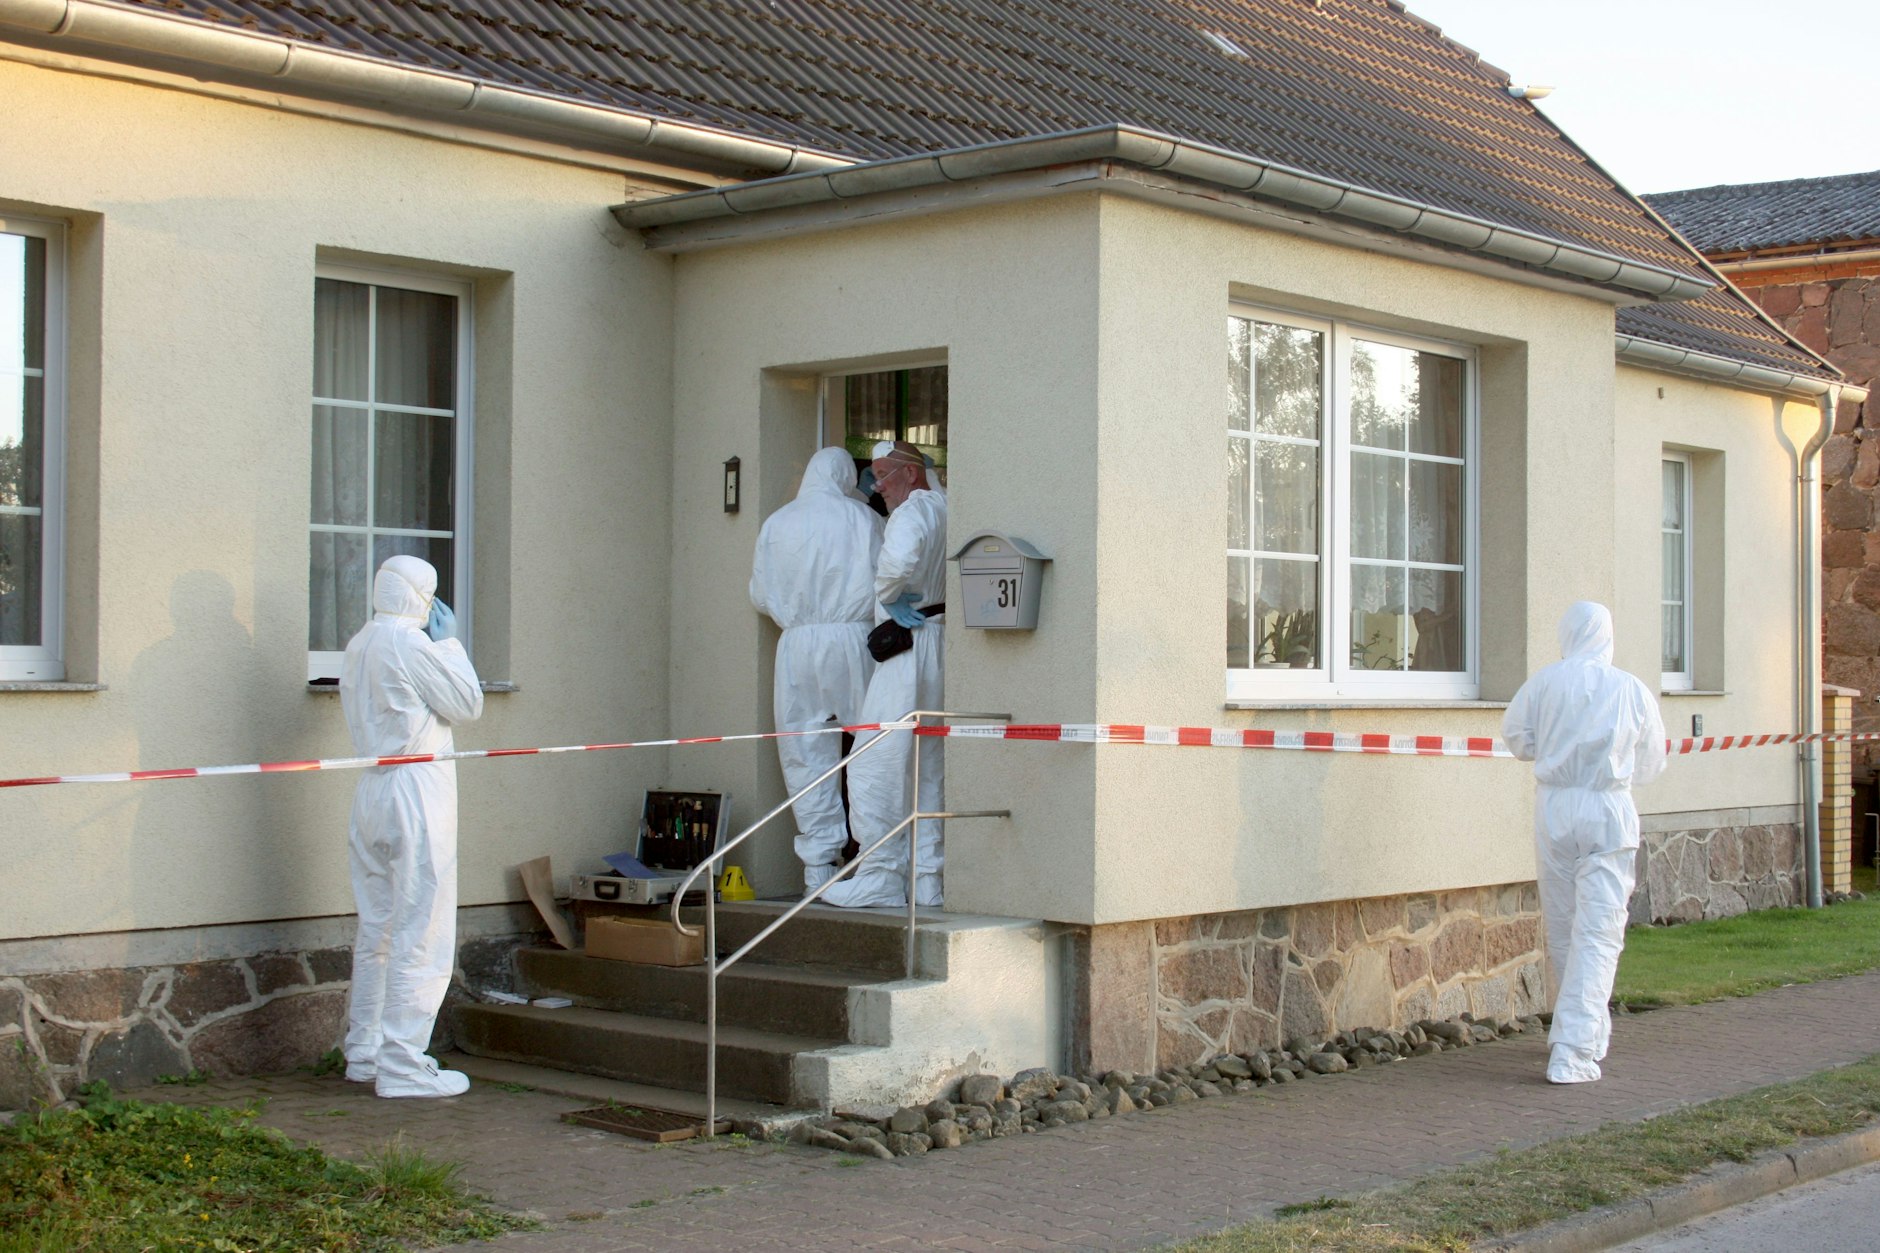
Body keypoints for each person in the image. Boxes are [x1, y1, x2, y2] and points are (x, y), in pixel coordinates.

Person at [1502, 601, 1667, 1085]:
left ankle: (1586, 1034)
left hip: (1555, 808)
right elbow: (1653, 761)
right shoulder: (1630, 689)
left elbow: (1516, 737)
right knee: (1599, 931)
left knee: (1565, 927)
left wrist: (1555, 750)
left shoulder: (1545, 683)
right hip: (1607, 808)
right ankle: (1573, 1050)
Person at [340, 555, 484, 1098]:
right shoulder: (410, 643)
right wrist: (449, 646)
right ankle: (403, 1062)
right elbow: (467, 704)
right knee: (422, 925)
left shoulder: (360, 643)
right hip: (415, 789)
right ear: (422, 595)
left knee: (377, 926)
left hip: (372, 788)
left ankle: (366, 1052)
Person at [749, 446, 884, 895]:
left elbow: (761, 596)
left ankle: (818, 867)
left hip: (796, 645)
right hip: (853, 638)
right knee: (872, 746)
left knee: (804, 752)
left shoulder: (777, 522)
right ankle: (877, 860)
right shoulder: (863, 519)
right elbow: (888, 582)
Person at [825, 441, 948, 909]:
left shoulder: (913, 512)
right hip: (936, 639)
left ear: (911, 474)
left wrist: (889, 591)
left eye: (882, 475)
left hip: (907, 641)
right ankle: (927, 880)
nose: (876, 487)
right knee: (928, 768)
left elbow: (897, 561)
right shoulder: (947, 507)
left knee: (874, 761)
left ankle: (879, 873)